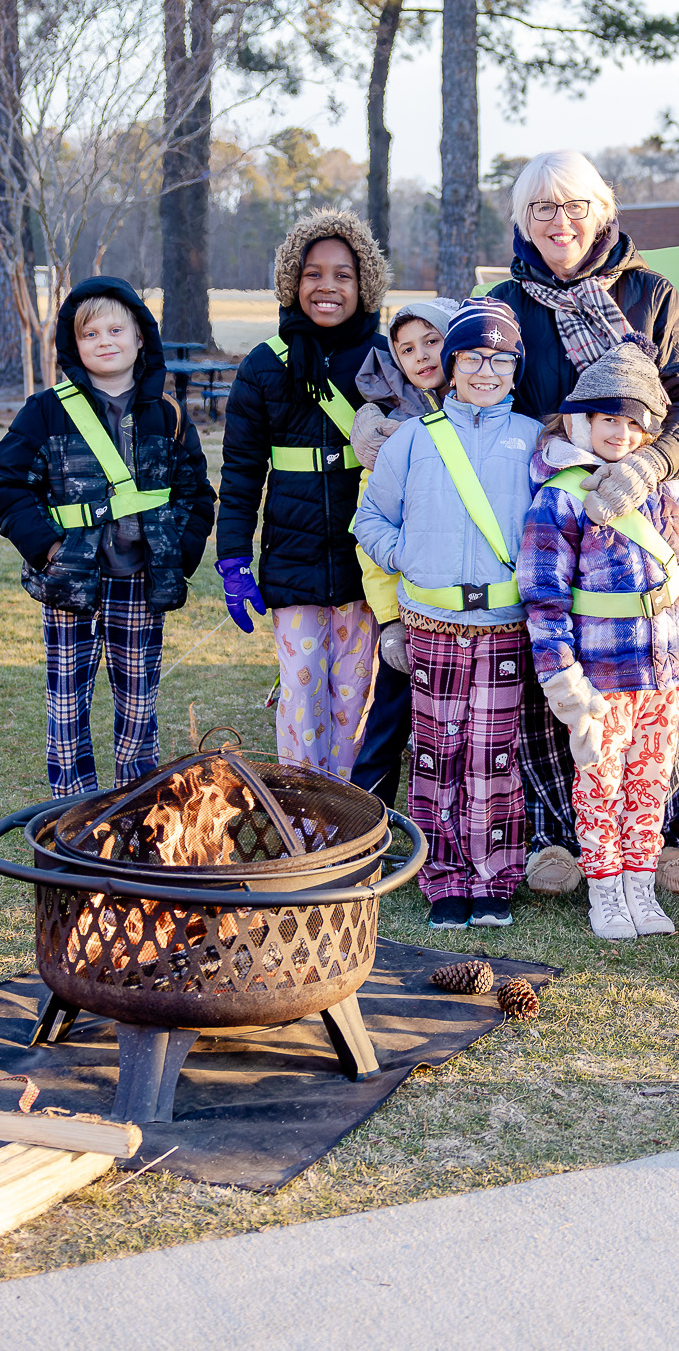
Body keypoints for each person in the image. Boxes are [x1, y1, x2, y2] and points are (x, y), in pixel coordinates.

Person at [488, 149, 679, 897]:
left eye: (574, 206)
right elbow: (473, 385)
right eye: (542, 210)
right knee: (554, 667)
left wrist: (649, 467)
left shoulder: (651, 296)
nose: (560, 223)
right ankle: (553, 835)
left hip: (643, 506)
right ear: (523, 222)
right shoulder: (506, 303)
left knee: (647, 679)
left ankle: (657, 836)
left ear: (603, 210)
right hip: (546, 505)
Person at [518, 335, 679, 938]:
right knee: (600, 782)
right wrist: (566, 683)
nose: (621, 433)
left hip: (665, 669)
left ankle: (641, 887)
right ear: (581, 419)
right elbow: (544, 599)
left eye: (636, 423)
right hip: (601, 676)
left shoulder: (670, 491)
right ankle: (605, 892)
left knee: (651, 780)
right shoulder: (561, 496)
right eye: (608, 417)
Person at [354, 299, 542, 930]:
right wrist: (404, 554)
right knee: (437, 750)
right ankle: (443, 878)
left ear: (516, 367)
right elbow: (369, 518)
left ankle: (494, 877)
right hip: (431, 625)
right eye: (471, 357)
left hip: (503, 625)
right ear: (452, 364)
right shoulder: (413, 438)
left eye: (500, 359)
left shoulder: (534, 441)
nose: (485, 371)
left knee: (493, 752)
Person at [0, 278, 216, 797]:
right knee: (67, 708)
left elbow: (196, 493)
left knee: (139, 710)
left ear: (141, 338)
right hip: (70, 586)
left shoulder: (169, 414)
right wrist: (49, 550)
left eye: (116, 329)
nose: (104, 341)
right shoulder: (44, 411)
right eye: (90, 333)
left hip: (142, 585)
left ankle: (135, 816)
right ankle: (73, 818)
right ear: (74, 344)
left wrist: (177, 554)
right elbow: (8, 485)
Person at [216, 209, 387, 772]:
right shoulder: (264, 366)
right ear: (292, 281)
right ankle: (301, 818)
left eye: (343, 274)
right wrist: (234, 559)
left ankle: (349, 818)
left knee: (353, 697)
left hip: (368, 559)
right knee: (300, 694)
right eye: (313, 273)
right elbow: (241, 472)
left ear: (365, 284)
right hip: (291, 560)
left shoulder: (390, 361)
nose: (327, 287)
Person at [347, 296, 463, 807]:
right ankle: (361, 824)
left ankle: (457, 823)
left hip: (481, 606)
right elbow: (371, 536)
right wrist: (390, 619)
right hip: (414, 609)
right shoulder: (389, 433)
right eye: (406, 348)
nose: (421, 357)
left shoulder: (495, 413)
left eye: (433, 341)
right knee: (389, 719)